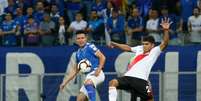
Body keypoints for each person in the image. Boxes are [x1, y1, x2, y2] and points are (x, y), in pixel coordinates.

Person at [108, 18, 171, 101]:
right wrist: (116, 44)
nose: (144, 46)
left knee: (150, 97)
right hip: (128, 78)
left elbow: (165, 43)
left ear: (152, 45)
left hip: (143, 82)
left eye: (147, 44)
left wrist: (166, 30)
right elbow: (128, 48)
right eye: (143, 44)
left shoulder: (155, 51)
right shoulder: (139, 48)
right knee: (113, 83)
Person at [59, 30, 106, 101]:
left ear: (86, 38)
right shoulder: (78, 53)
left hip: (97, 74)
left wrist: (99, 69)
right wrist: (64, 83)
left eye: (82, 38)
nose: (81, 40)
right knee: (80, 98)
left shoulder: (90, 46)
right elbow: (75, 70)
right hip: (88, 77)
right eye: (78, 38)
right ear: (76, 40)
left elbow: (102, 57)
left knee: (88, 83)